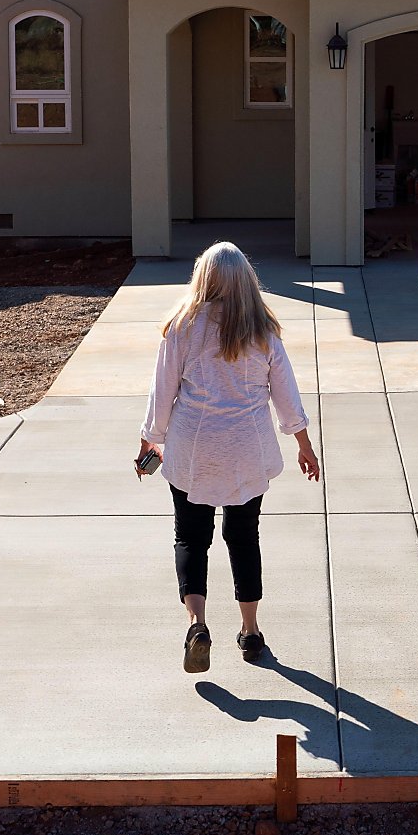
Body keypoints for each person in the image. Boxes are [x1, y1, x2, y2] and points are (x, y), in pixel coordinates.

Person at [139, 242, 320, 674]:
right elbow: (286, 394)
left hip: (193, 447)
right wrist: (303, 444)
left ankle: (197, 624)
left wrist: (151, 439)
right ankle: (251, 632)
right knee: (244, 538)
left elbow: (163, 389)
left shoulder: (182, 326)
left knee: (191, 538)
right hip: (247, 448)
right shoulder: (263, 329)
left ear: (202, 277)